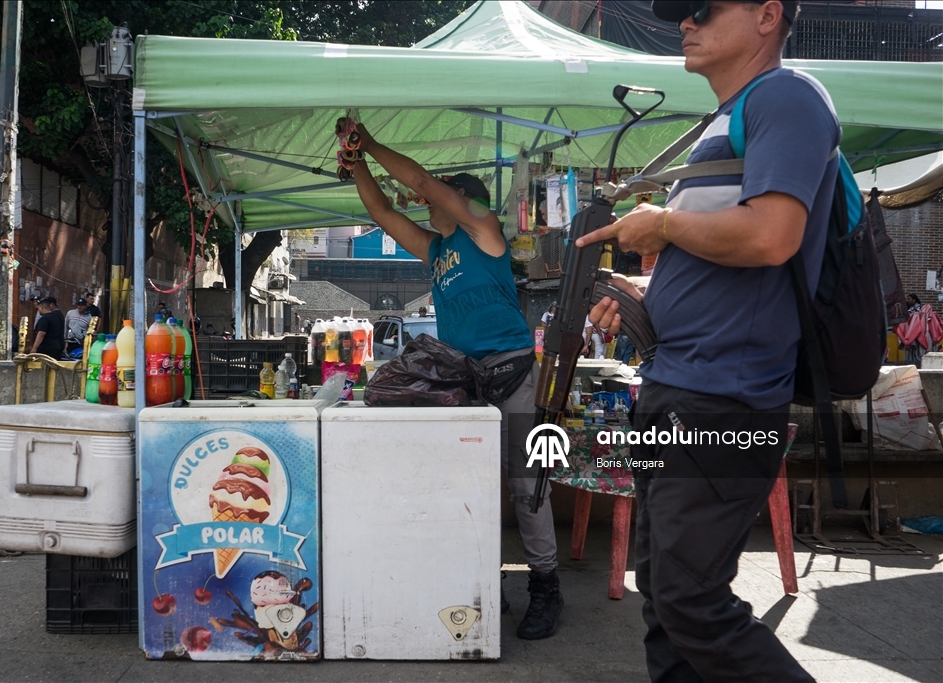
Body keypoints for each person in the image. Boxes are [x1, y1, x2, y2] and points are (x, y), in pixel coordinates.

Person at [581, 2, 820, 680]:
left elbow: (773, 235)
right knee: (662, 589)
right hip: (681, 388)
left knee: (689, 598)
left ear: (768, 14)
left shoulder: (786, 97)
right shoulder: (723, 122)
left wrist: (662, 224)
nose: (684, 19)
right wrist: (643, 295)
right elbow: (721, 264)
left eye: (703, 6)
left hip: (723, 399)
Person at [351, 127, 563, 640]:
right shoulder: (435, 248)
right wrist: (356, 163)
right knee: (470, 487)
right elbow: (382, 214)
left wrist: (373, 143)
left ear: (463, 201)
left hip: (513, 372)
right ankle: (483, 584)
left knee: (525, 485)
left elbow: (421, 179)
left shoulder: (484, 230)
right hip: (465, 377)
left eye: (437, 195)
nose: (424, 199)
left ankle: (546, 586)